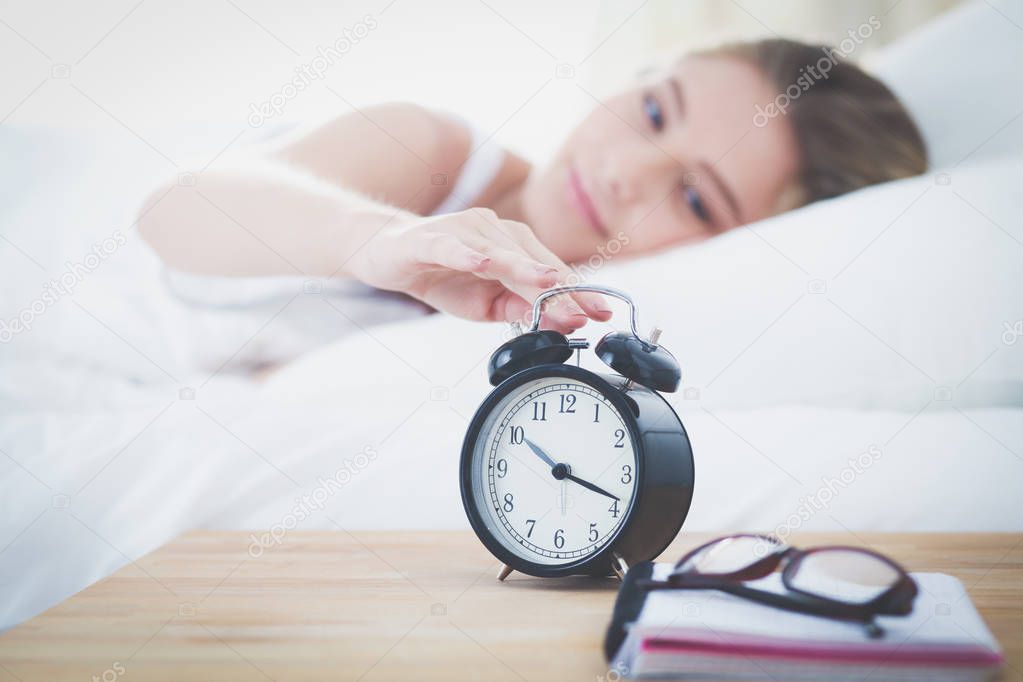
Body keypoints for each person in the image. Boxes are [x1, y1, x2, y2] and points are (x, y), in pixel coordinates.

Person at [138, 38, 927, 339]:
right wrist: (371, 241)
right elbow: (171, 213)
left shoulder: (604, 323)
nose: (624, 170)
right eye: (653, 110)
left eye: (694, 198)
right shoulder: (431, 152)